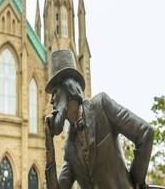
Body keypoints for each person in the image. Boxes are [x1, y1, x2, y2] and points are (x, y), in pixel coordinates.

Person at [44, 50, 154, 189]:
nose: (52, 100)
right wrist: (49, 144)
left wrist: (136, 182)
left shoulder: (101, 106)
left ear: (68, 89)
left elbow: (145, 132)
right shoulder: (69, 146)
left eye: (55, 92)